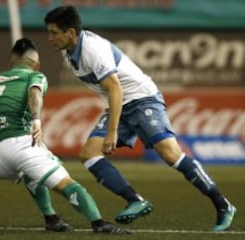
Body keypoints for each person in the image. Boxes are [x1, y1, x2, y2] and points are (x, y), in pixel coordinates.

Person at [43, 5, 236, 232]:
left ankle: (223, 205)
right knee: (89, 154)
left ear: (71, 33)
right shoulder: (70, 52)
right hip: (122, 104)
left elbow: (115, 88)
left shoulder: (92, 49)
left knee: (170, 154)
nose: (50, 38)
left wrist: (112, 132)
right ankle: (135, 200)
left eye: (54, 32)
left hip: (143, 99)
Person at [0, 37, 130, 234]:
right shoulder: (35, 76)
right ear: (37, 65)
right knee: (67, 185)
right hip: (19, 144)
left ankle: (51, 219)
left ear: (9, 64)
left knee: (30, 173)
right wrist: (36, 120)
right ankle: (99, 223)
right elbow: (34, 94)